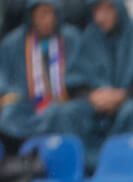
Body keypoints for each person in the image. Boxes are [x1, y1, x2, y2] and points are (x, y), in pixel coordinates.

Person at [75, 0, 133, 148]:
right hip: (98, 105)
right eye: (96, 11)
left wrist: (123, 95)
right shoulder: (90, 37)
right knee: (69, 112)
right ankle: (85, 166)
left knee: (132, 110)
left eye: (106, 10)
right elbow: (76, 80)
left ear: (118, 7)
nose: (100, 18)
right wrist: (91, 95)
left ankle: (123, 163)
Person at [0, 0, 90, 148]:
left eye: (51, 14)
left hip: (64, 100)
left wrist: (72, 89)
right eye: (42, 15)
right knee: (10, 114)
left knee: (70, 112)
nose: (48, 20)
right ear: (31, 17)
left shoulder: (72, 38)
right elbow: (4, 79)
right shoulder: (13, 43)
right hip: (27, 102)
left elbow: (82, 75)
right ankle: (23, 155)